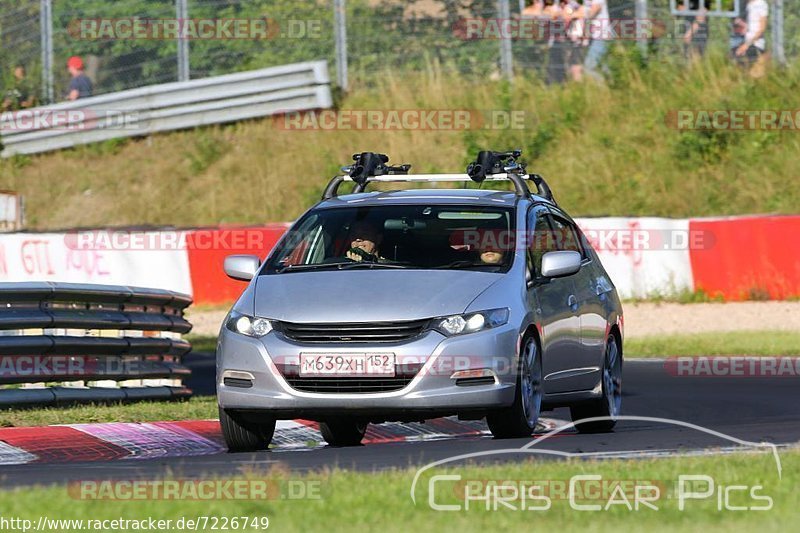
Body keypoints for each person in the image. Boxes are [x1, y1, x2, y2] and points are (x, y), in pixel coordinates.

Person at [733, 0, 769, 73]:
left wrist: (746, 45)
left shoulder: (761, 3)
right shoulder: (749, 4)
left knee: (741, 58)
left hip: (756, 43)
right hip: (747, 41)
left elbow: (762, 29)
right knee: (732, 55)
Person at [583, 0, 610, 82]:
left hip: (602, 37)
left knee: (588, 67)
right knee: (605, 68)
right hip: (595, 38)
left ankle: (602, 88)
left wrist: (576, 13)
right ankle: (612, 88)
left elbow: (592, 12)